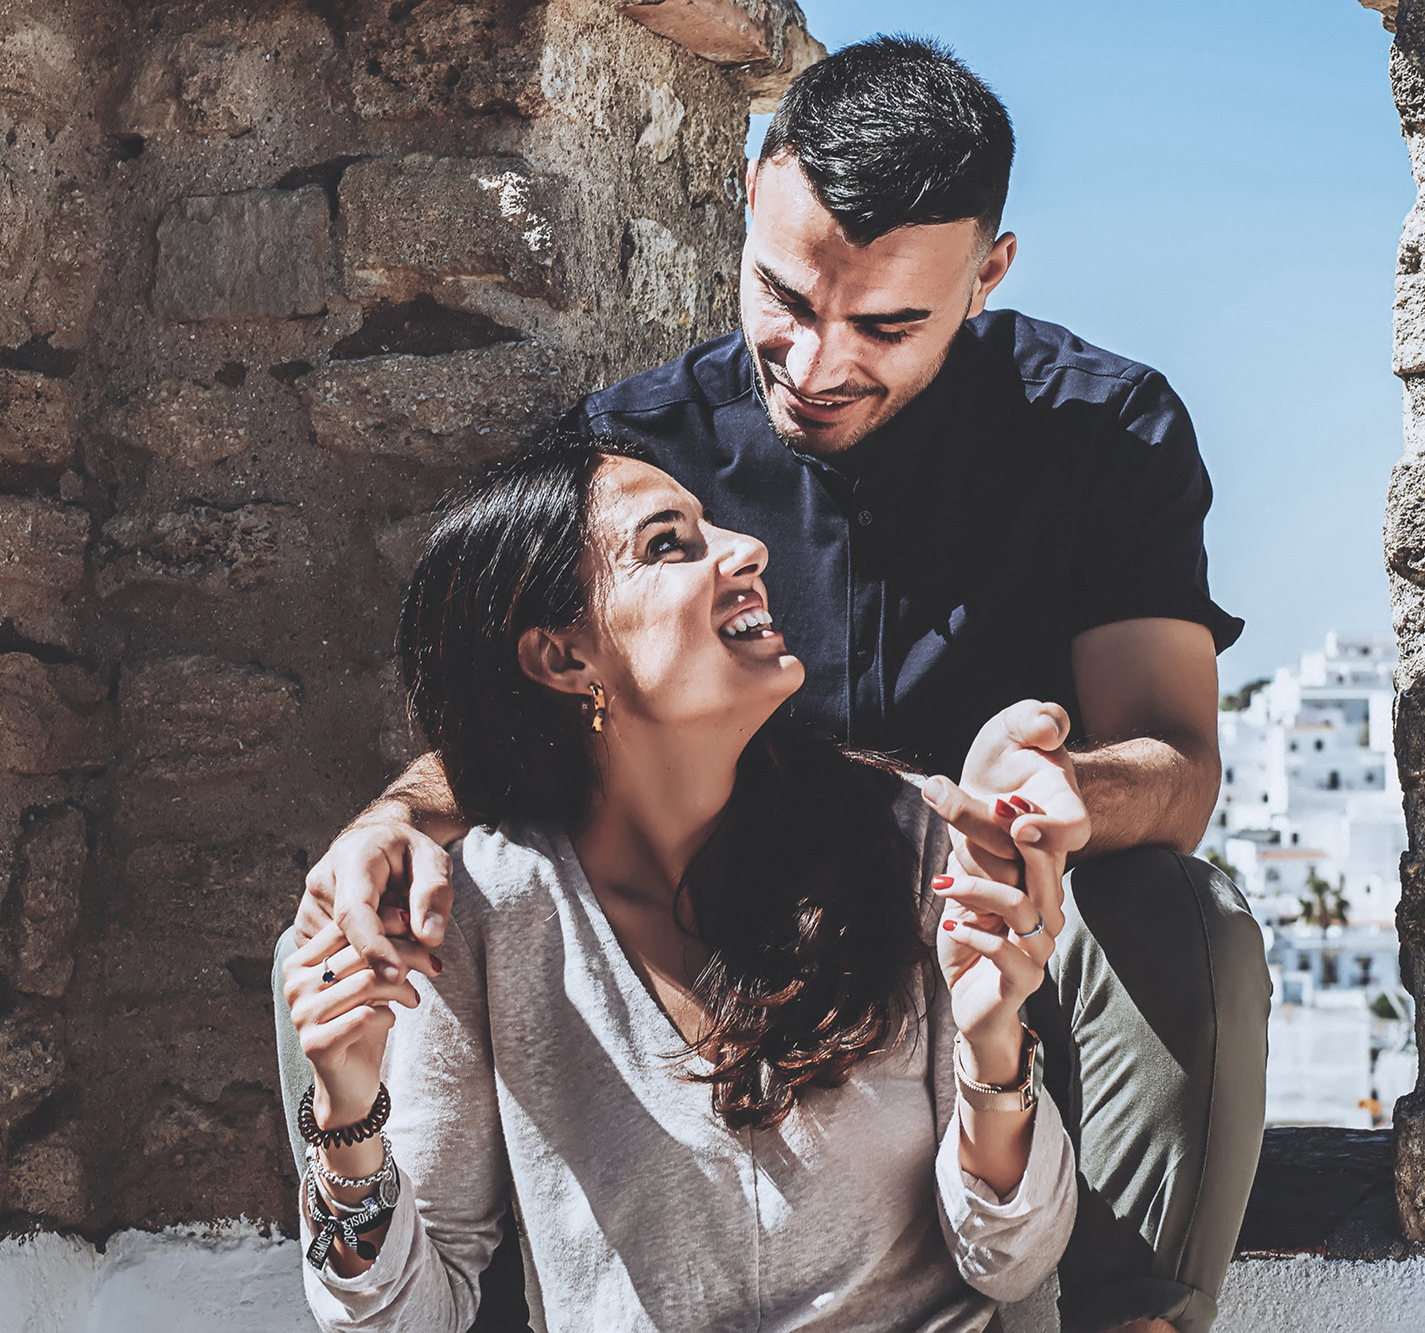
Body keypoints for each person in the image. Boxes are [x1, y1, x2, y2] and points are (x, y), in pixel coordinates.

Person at [296, 35, 1270, 1333]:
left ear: (988, 276)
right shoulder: (636, 449)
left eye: (884, 325)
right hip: (722, 932)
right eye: (786, 300)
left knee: (1175, 916)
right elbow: (519, 710)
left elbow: (1175, 762)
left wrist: (1050, 793)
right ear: (751, 192)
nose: (813, 368)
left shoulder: (1103, 430)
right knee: (358, 921)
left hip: (980, 926)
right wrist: (383, 836)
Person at [275, 439, 1082, 1329]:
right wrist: (346, 1113)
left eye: (714, 525)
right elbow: (405, 1318)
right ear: (562, 658)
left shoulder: (906, 840)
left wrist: (992, 1041)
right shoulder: (483, 911)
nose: (748, 550)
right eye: (669, 544)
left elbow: (1012, 1258)